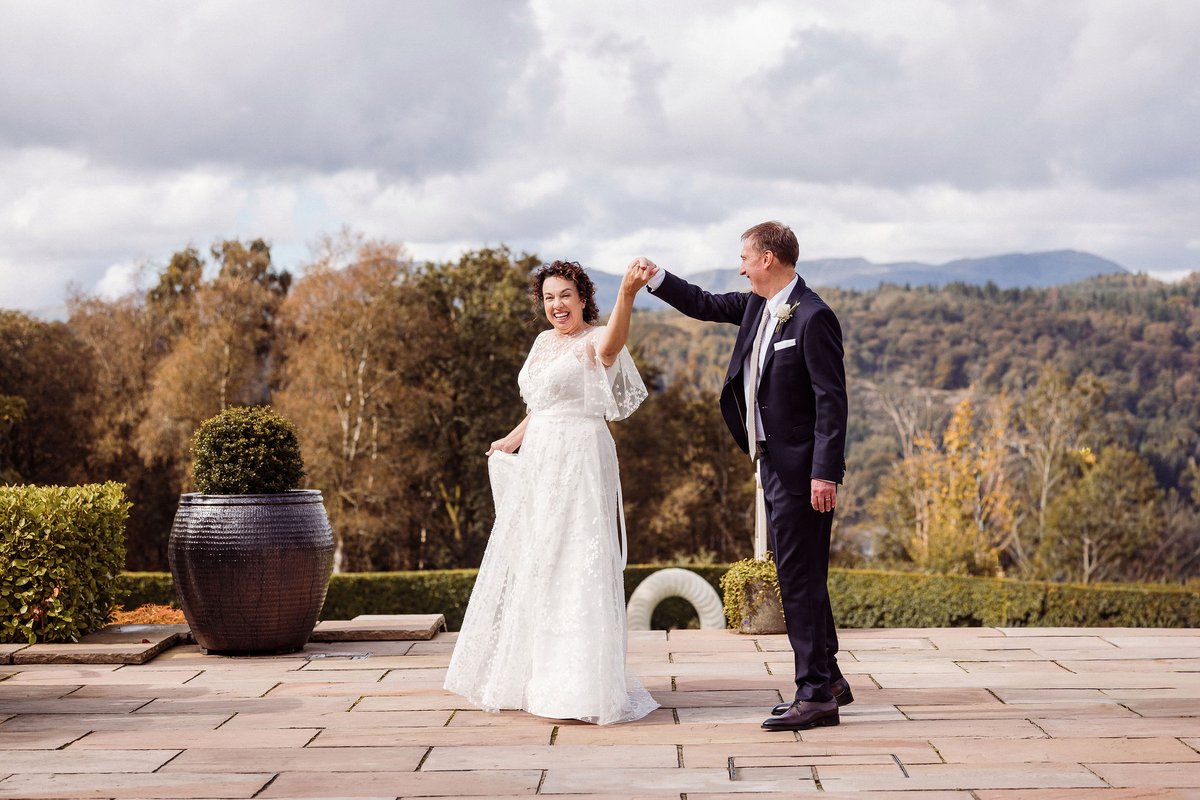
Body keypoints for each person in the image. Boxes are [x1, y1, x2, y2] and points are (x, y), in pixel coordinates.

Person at [638, 221, 851, 731]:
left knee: (797, 580)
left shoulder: (815, 316)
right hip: (773, 464)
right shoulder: (756, 304)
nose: (740, 267)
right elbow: (705, 303)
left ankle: (814, 695)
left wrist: (825, 473)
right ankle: (831, 679)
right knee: (802, 576)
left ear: (770, 260)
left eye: (746, 259)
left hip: (804, 473)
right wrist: (656, 277)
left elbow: (832, 401)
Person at [443, 258, 660, 725]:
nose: (556, 305)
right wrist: (511, 439)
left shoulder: (592, 341)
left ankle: (581, 687)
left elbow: (612, 346)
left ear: (583, 298)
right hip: (542, 459)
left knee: (576, 557)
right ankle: (534, 678)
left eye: (565, 295)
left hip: (580, 457)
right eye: (548, 298)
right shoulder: (543, 342)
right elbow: (541, 406)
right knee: (538, 559)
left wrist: (627, 295)